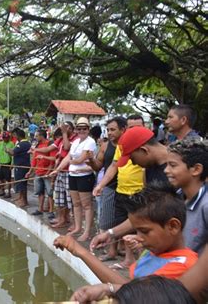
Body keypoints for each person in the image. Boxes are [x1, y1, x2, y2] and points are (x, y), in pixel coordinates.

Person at [54, 182, 198, 286]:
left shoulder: (182, 267)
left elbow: (131, 293)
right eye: (137, 230)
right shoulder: (156, 251)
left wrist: (80, 251)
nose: (139, 236)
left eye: (144, 231)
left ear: (173, 226)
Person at [92, 115, 145, 268]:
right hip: (121, 190)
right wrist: (101, 184)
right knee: (123, 226)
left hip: (139, 192)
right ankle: (129, 259)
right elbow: (114, 166)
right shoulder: (122, 144)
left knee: (140, 227)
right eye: (131, 127)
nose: (134, 130)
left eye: (138, 127)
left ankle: (141, 262)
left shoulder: (148, 144)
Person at [86, 116, 127, 261]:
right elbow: (99, 166)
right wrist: (91, 160)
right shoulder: (105, 146)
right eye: (108, 130)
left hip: (126, 187)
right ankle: (111, 251)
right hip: (109, 186)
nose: (109, 133)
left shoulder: (128, 145)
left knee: (124, 220)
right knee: (108, 220)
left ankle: (121, 249)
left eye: (113, 130)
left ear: (123, 130)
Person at [51, 117, 97, 241]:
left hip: (85, 176)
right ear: (76, 129)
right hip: (73, 175)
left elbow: (80, 159)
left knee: (86, 205)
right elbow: (67, 158)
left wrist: (70, 162)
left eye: (84, 128)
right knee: (76, 203)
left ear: (88, 129)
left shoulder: (90, 141)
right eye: (79, 128)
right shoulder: (76, 142)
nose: (82, 130)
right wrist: (58, 169)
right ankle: (77, 227)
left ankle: (86, 231)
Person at [165, 139, 208, 254]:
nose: (166, 170)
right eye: (166, 165)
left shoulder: (205, 205)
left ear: (196, 169)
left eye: (172, 165)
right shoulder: (176, 197)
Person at [38, 121, 77, 227]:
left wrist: (64, 133)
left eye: (66, 128)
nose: (63, 130)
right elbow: (48, 149)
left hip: (69, 172)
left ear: (71, 129)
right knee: (59, 198)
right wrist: (35, 149)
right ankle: (61, 218)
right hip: (60, 171)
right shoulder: (59, 139)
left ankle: (69, 221)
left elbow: (66, 148)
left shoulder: (75, 139)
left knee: (69, 199)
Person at [26, 129, 54, 216]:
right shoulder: (37, 146)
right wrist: (30, 172)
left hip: (47, 173)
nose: (35, 137)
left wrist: (49, 172)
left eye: (37, 136)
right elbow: (34, 161)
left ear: (42, 136)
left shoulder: (49, 145)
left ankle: (51, 211)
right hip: (38, 172)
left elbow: (52, 161)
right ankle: (40, 209)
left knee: (50, 193)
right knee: (40, 192)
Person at [7, 128, 31, 207]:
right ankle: (21, 198)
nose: (14, 136)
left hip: (21, 167)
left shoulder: (21, 144)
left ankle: (24, 201)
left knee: (22, 184)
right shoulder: (26, 143)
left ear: (18, 135)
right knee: (20, 183)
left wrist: (7, 150)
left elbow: (13, 152)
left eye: (15, 135)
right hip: (21, 166)